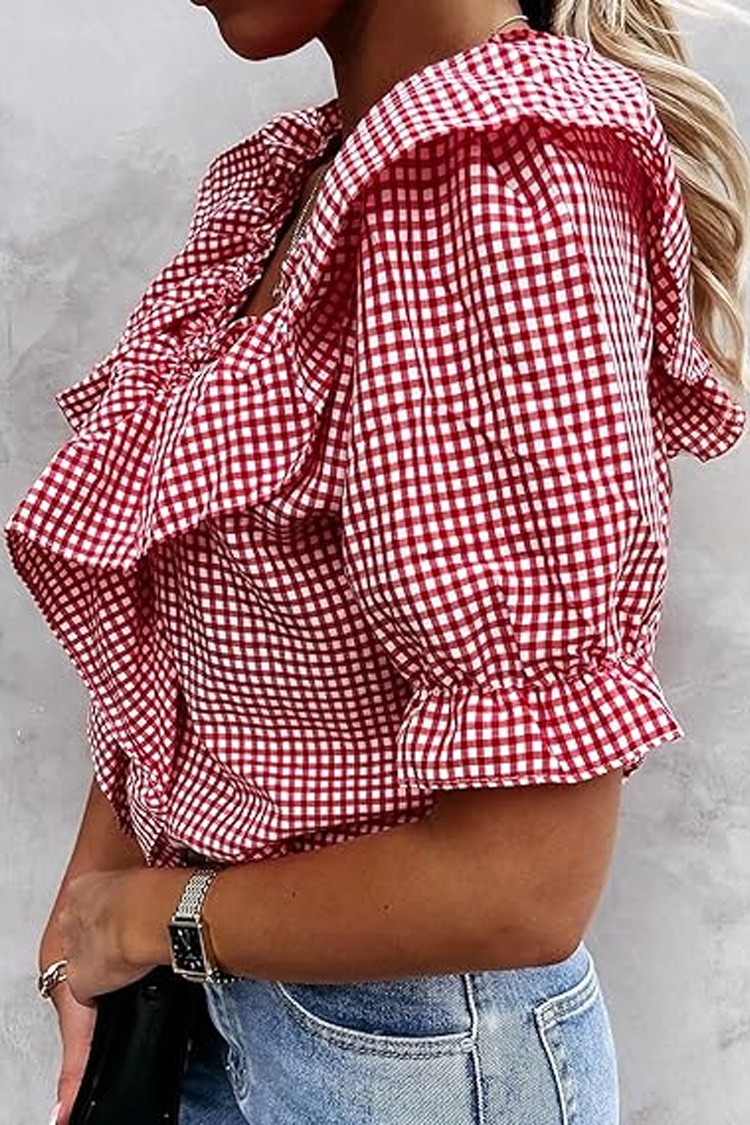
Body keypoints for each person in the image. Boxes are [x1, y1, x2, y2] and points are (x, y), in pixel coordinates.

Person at [6, 1, 750, 1123]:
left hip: (410, 1057)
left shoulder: (498, 179)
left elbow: (524, 884)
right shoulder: (312, 178)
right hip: (228, 1000)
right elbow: (184, 622)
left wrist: (147, 916)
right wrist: (93, 903)